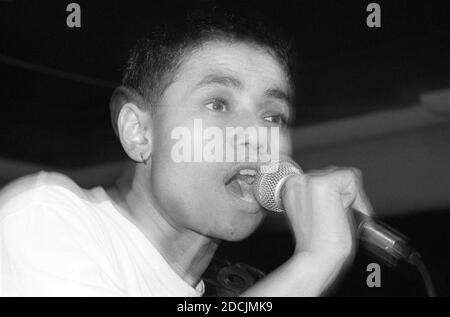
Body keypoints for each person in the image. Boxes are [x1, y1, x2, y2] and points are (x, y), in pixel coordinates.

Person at [0, 8, 373, 296]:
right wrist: (314, 261)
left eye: (273, 116)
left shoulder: (235, 289)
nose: (257, 136)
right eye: (218, 104)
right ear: (139, 132)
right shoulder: (44, 216)